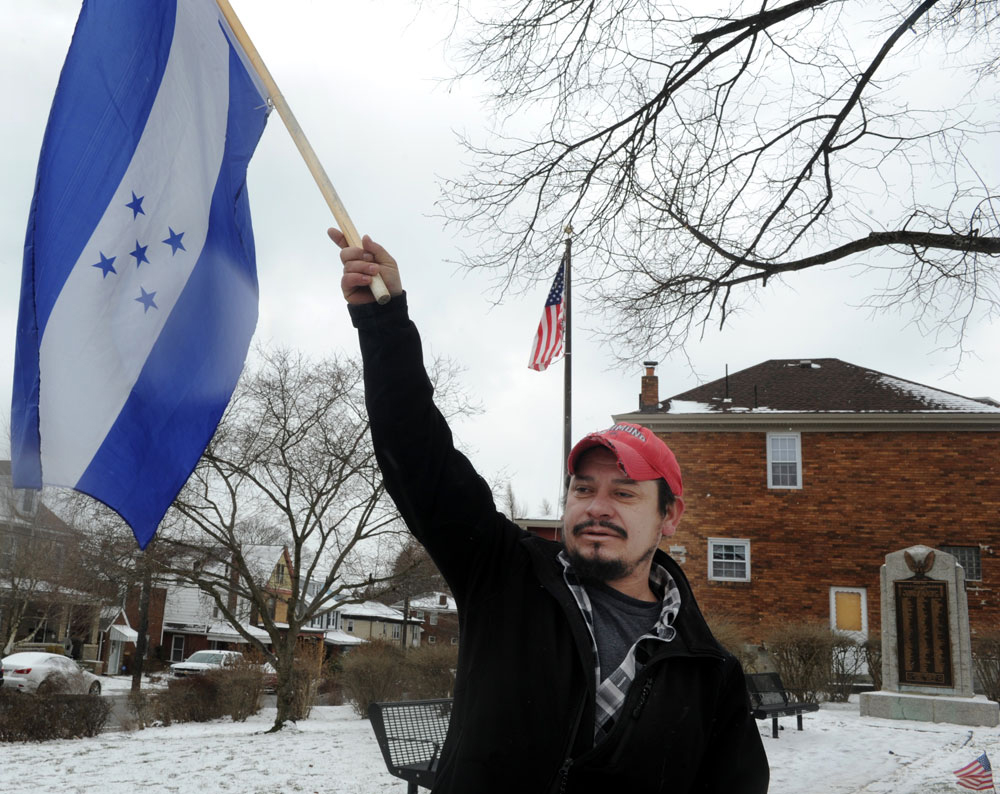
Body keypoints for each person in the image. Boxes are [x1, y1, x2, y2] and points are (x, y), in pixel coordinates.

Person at [333, 228, 769, 794]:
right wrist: (384, 320)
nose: (597, 508)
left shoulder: (710, 671)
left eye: (625, 493)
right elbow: (418, 454)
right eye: (583, 489)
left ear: (670, 517)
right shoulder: (503, 575)